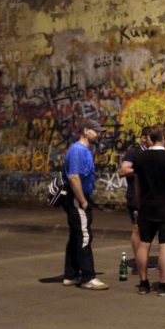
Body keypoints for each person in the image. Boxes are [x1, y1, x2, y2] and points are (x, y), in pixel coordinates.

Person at [133, 124, 165, 296]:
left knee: (144, 244)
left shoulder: (140, 158)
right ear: (164, 137)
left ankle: (143, 284)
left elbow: (137, 185)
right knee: (164, 246)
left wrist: (139, 204)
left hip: (147, 207)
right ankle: (163, 286)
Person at [61, 118, 109, 290]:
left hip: (80, 198)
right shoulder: (77, 151)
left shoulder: (84, 150)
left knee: (76, 236)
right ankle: (88, 276)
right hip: (77, 199)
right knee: (84, 236)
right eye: (96, 131)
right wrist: (82, 200)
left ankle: (71, 274)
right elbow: (74, 177)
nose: (98, 134)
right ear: (85, 131)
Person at [119, 126, 153, 275]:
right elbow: (123, 171)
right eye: (152, 136)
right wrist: (140, 169)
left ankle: (144, 259)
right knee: (137, 229)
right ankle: (138, 263)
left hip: (150, 197)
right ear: (144, 138)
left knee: (148, 230)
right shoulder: (134, 152)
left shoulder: (154, 153)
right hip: (136, 197)